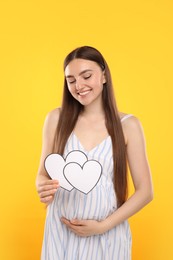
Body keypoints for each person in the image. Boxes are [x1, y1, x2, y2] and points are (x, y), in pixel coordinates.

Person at [36, 46, 153, 260]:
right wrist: (41, 186)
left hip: (108, 235)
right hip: (61, 232)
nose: (79, 86)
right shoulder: (56, 119)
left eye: (86, 76)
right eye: (71, 80)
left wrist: (102, 227)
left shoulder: (128, 125)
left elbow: (145, 191)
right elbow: (42, 174)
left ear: (104, 75)